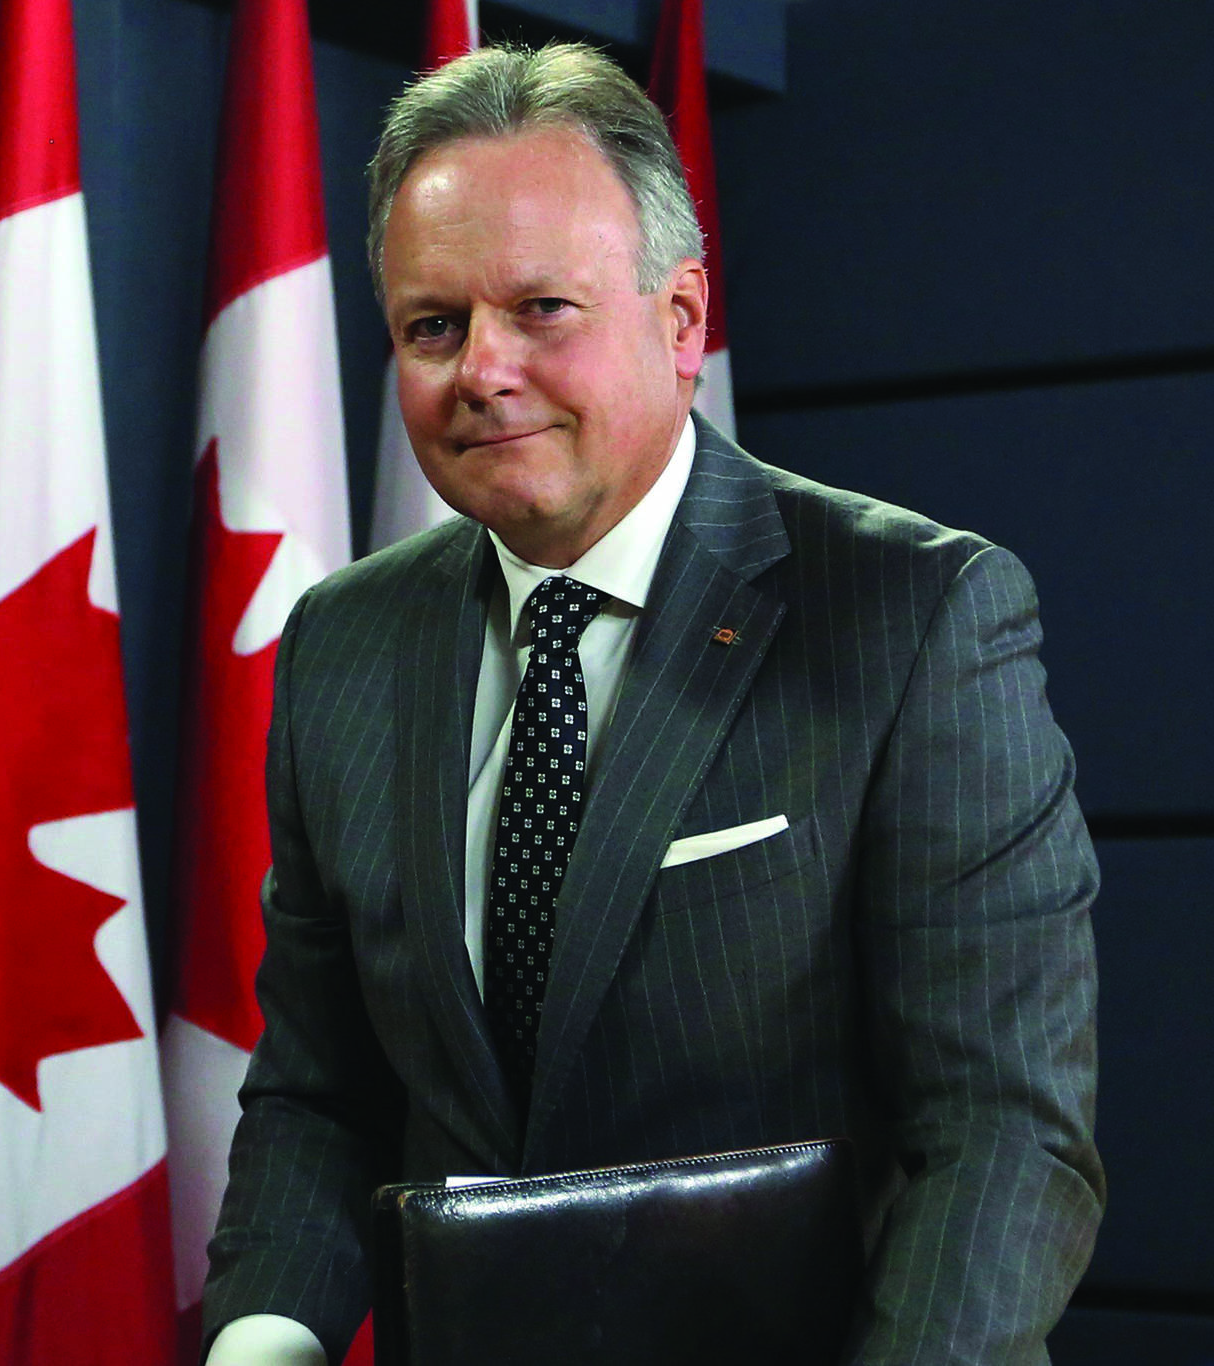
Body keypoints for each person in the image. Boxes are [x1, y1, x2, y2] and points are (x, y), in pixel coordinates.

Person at [201, 41, 1102, 1366]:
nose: (482, 369)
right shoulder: (342, 640)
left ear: (681, 320)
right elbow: (323, 1094)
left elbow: (1001, 1135)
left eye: (542, 309)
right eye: (433, 325)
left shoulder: (918, 616)